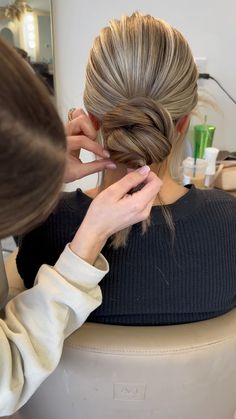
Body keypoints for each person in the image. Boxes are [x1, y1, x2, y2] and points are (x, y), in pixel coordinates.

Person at [17, 13, 236, 327]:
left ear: (90, 121)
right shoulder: (229, 224)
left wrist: (39, 183)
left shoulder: (42, 228)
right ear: (184, 123)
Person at [0, 37, 161, 416]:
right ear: (184, 120)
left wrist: (43, 175)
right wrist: (85, 245)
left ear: (93, 118)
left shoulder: (41, 236)